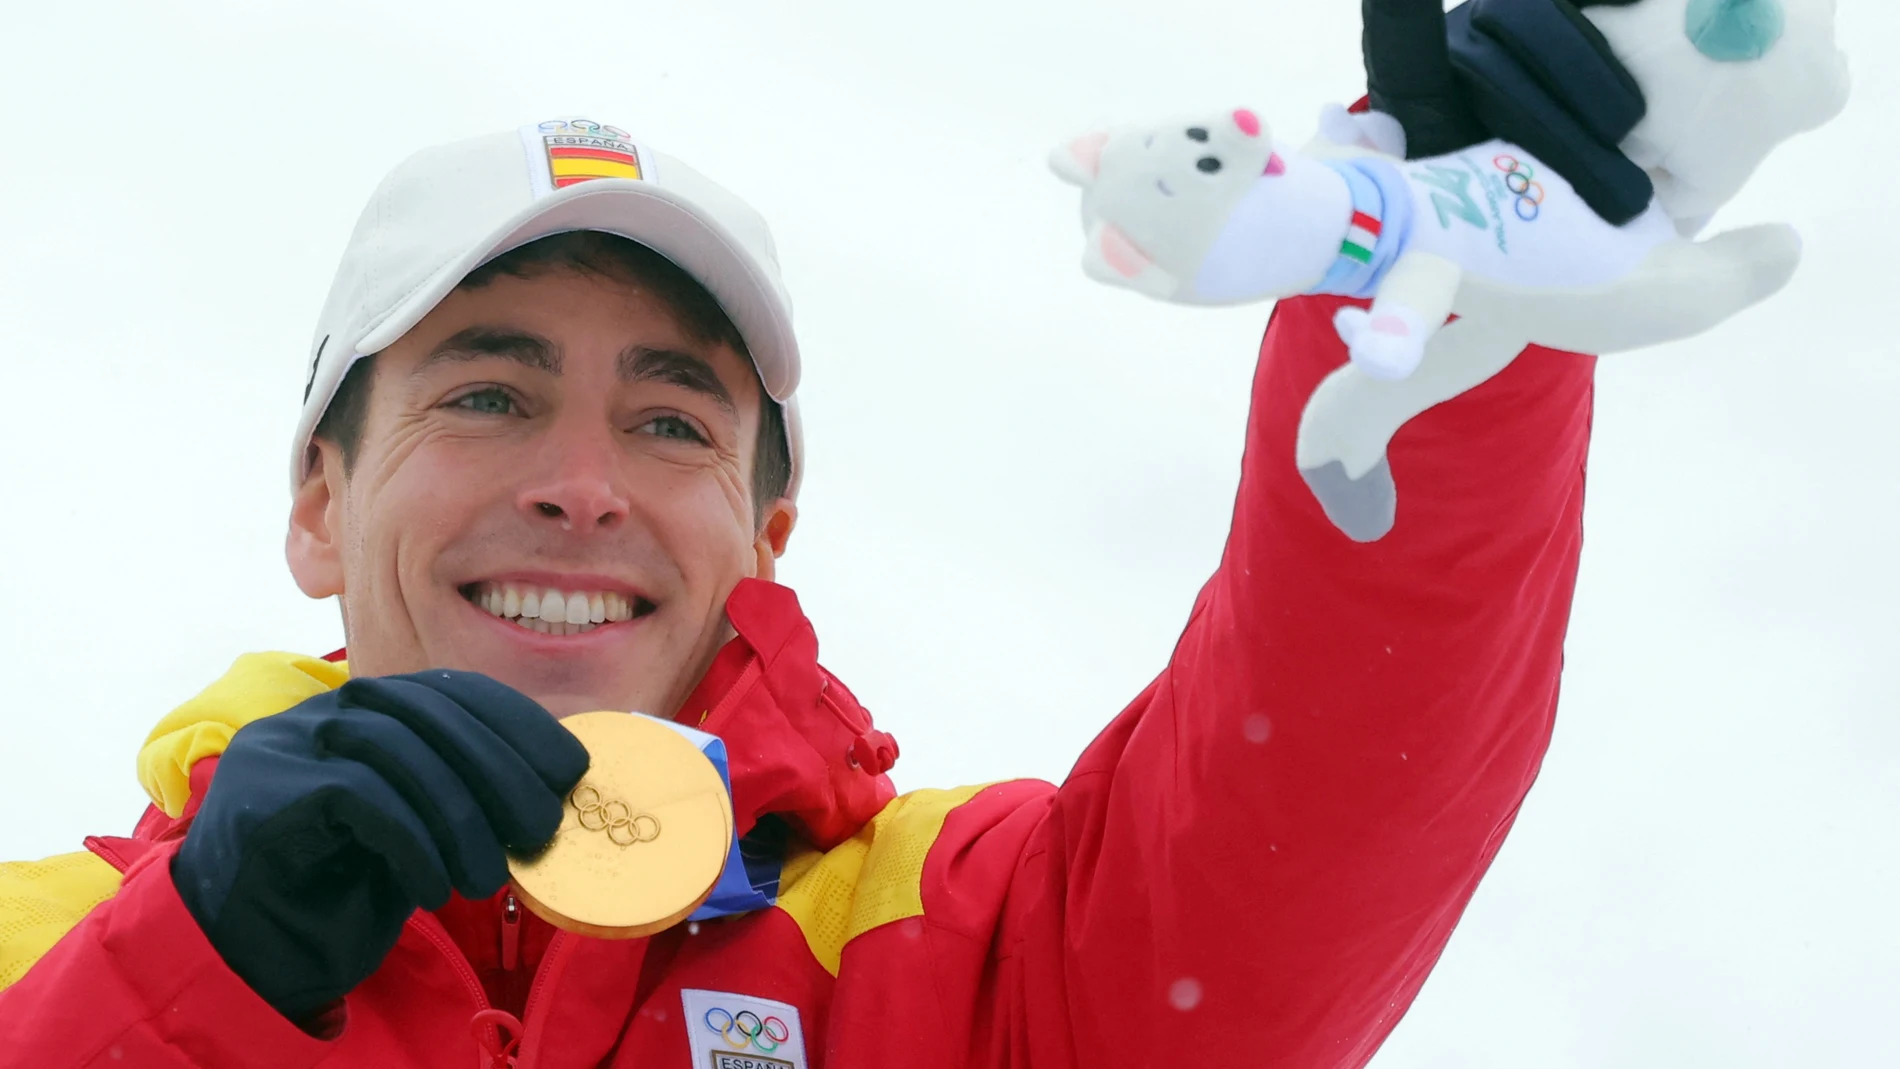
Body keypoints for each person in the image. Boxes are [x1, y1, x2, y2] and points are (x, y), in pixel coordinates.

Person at [0, 5, 1661, 1066]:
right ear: (317, 502)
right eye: (489, 396)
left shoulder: (981, 953)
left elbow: (1338, 780)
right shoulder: (42, 957)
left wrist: (1449, 320)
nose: (585, 484)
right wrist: (188, 986)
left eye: (670, 423)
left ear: (763, 529)